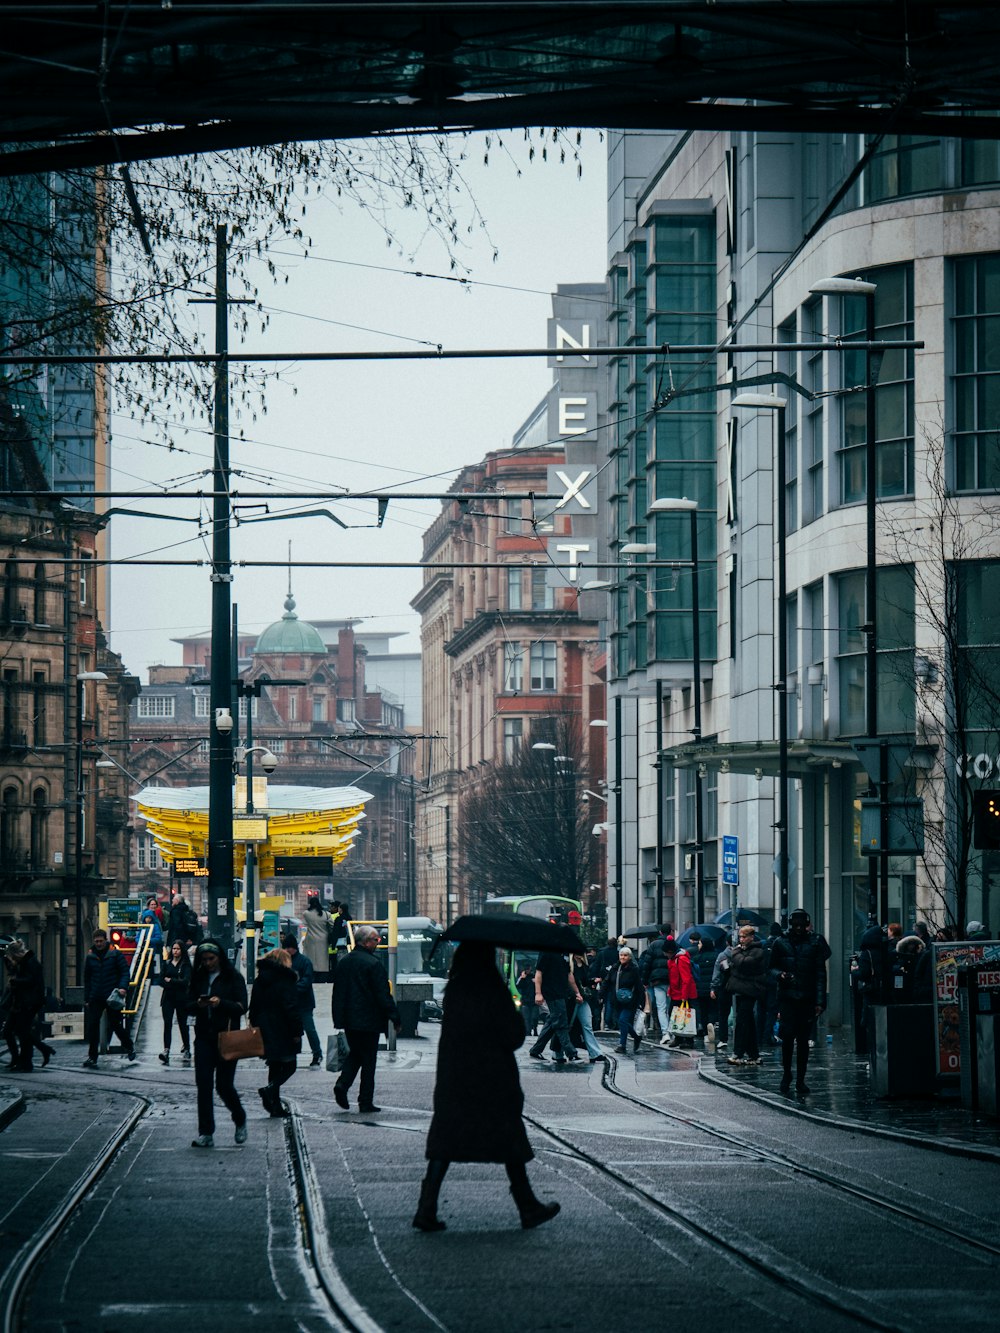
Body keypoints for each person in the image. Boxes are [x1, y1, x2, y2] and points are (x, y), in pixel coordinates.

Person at [412, 941, 560, 1233]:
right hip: (491, 1080)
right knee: (509, 1140)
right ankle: (527, 1205)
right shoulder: (494, 991)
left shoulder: (453, 991)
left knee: (446, 1141)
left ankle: (426, 1207)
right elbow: (514, 1035)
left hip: (456, 1079)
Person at [332, 924, 400, 1113]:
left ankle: (343, 1085)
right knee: (369, 1060)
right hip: (369, 1020)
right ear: (366, 941)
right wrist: (394, 1017)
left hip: (349, 1020)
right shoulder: (373, 964)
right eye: (376, 940)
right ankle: (365, 1100)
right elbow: (382, 994)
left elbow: (338, 993)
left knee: (356, 1053)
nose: (378, 943)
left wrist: (338, 1018)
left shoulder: (344, 962)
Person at [186, 940, 249, 1148]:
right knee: (203, 1084)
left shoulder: (233, 978)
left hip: (227, 1038)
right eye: (203, 960)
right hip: (203, 1037)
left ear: (219, 958)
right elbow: (187, 1005)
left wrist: (221, 1004)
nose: (207, 963)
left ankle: (239, 1117)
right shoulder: (198, 978)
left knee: (223, 1085)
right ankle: (206, 1132)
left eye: (211, 959)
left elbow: (242, 1007)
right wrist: (198, 1004)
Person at [770, 909, 828, 1095]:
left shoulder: (815, 943)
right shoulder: (781, 942)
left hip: (806, 998)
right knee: (788, 1039)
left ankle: (800, 1079)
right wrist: (781, 975)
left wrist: (820, 1000)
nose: (798, 929)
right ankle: (787, 1074)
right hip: (788, 998)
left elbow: (820, 973)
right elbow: (770, 968)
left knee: (803, 1040)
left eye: (801, 926)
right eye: (795, 926)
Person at [249, 947, 303, 1116]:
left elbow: (254, 1006)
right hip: (283, 1027)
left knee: (274, 1065)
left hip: (265, 1027)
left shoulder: (260, 979)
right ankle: (270, 1090)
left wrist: (255, 1024)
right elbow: (291, 1007)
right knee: (290, 1065)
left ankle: (275, 1106)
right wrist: (297, 1031)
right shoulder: (286, 980)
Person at [82, 929, 135, 1068]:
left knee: (115, 1025)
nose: (98, 944)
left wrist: (123, 987)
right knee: (92, 1027)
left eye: (100, 941)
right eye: (96, 941)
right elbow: (87, 978)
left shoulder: (115, 954)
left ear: (105, 940)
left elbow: (125, 971)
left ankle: (129, 1046)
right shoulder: (91, 956)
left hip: (112, 995)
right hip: (96, 996)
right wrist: (87, 998)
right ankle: (92, 1057)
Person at [724, 926, 768, 1065]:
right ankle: (754, 1054)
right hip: (743, 990)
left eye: (744, 937)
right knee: (748, 1022)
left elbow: (743, 963)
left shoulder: (757, 951)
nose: (741, 940)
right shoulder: (745, 951)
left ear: (751, 937)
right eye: (740, 937)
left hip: (750, 990)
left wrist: (735, 952)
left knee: (743, 1022)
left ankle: (738, 1053)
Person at [2, 940, 48, 1072]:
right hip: (20, 1002)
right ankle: (25, 1058)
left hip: (29, 1002)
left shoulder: (31, 962)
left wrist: (15, 981)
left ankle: (26, 1061)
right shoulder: (23, 962)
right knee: (17, 1031)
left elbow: (31, 981)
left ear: (17, 954)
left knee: (22, 1032)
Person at [527, 950, 579, 1064]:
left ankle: (535, 1050)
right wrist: (538, 993)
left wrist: (577, 992)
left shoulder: (563, 954)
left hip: (561, 993)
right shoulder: (546, 952)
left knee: (552, 1021)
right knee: (560, 1022)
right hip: (552, 993)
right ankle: (571, 1053)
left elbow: (569, 974)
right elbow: (539, 973)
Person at [281, 933, 322, 1066]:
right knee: (290, 1031)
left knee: (309, 1029)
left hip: (303, 1003)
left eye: (289, 948)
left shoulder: (304, 961)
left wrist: (291, 989)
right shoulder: (283, 961)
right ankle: (291, 1055)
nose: (287, 950)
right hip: (291, 1003)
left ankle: (317, 1053)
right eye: (285, 948)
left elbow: (307, 980)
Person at [159, 939, 192, 1063]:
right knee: (167, 1024)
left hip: (181, 999)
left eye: (177, 949)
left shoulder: (186, 965)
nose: (175, 951)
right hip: (168, 998)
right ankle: (166, 1049)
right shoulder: (167, 963)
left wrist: (171, 981)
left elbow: (186, 981)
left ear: (182, 950)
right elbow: (161, 980)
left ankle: (187, 1047)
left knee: (183, 1024)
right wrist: (174, 982)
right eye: (173, 948)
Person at [609, 944, 645, 1054]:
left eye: (625, 955)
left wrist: (642, 1001)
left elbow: (639, 986)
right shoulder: (615, 968)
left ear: (629, 957)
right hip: (618, 1000)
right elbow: (608, 981)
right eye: (621, 955)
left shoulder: (634, 970)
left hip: (630, 1001)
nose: (623, 957)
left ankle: (622, 1045)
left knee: (623, 1020)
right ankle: (636, 1037)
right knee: (622, 1022)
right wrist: (601, 994)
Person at [662, 938, 698, 1048]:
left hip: (683, 994)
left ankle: (687, 1039)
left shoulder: (681, 959)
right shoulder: (673, 960)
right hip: (676, 993)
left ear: (669, 951)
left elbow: (686, 979)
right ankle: (679, 1038)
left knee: (685, 1016)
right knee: (676, 1016)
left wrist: (684, 996)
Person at [569, 950, 603, 1062]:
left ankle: (595, 1053)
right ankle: (558, 1051)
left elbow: (584, 981)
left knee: (587, 1025)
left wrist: (593, 980)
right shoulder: (569, 965)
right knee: (567, 1026)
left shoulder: (584, 965)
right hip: (572, 998)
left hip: (583, 998)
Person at [639, 927, 672, 1040]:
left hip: (657, 980)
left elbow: (646, 964)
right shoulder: (674, 944)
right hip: (670, 980)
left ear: (660, 932)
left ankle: (665, 1032)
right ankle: (672, 1031)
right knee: (670, 1007)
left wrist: (644, 980)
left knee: (661, 1007)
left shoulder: (653, 945)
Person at [710, 939, 734, 1051]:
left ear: (727, 943)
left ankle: (723, 1039)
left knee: (723, 1014)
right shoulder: (741, 954)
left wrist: (713, 987)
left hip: (724, 988)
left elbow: (717, 973)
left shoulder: (722, 955)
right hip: (740, 987)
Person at [303, 894, 334, 981]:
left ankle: (312, 972)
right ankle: (322, 973)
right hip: (323, 939)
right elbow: (332, 925)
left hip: (311, 938)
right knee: (323, 958)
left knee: (311, 957)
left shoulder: (306, 914)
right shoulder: (326, 914)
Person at [140, 898, 163, 976]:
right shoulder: (144, 923)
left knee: (156, 967)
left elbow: (159, 934)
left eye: (154, 904)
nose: (153, 906)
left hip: (155, 947)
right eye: (151, 904)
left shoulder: (157, 917)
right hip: (146, 948)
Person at [515, 965, 539, 1036]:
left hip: (534, 1002)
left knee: (534, 1017)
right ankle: (528, 1032)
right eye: (526, 969)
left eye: (529, 969)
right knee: (526, 1018)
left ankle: (535, 1029)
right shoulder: (522, 978)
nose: (528, 971)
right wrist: (522, 978)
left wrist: (536, 981)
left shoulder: (535, 977)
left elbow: (541, 985)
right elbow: (518, 986)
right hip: (525, 1001)